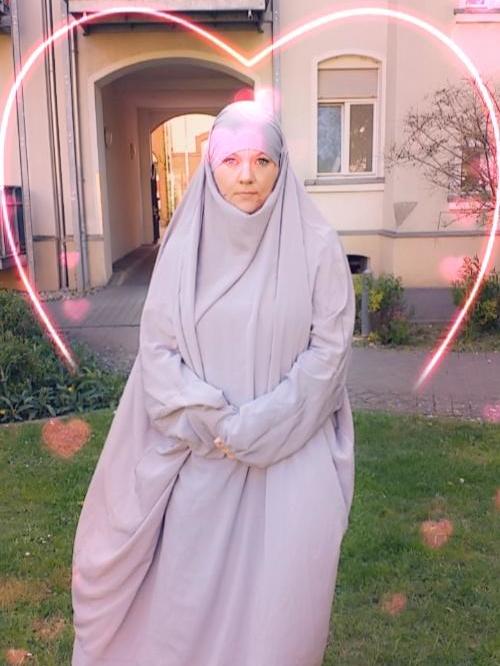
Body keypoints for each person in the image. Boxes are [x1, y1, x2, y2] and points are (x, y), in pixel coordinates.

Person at [71, 99, 356, 666]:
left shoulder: (317, 247)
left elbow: (329, 353)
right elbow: (158, 353)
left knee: (278, 627)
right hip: (202, 464)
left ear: (281, 166)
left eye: (261, 161)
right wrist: (216, 423)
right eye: (231, 160)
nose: (246, 175)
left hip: (290, 470)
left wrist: (259, 427)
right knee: (186, 620)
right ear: (210, 167)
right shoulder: (184, 250)